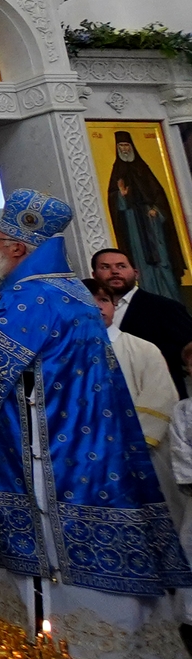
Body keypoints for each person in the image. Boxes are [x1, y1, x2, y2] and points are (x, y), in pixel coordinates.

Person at [0, 189, 192, 659]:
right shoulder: (69, 291)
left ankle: (68, 639)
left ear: (15, 246)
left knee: (56, 539)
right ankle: (108, 641)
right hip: (84, 440)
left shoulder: (34, 292)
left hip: (49, 449)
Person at [86, 278, 182, 533]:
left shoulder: (142, 349)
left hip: (143, 454)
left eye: (104, 300)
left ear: (114, 305)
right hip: (92, 458)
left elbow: (160, 398)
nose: (98, 306)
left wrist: (124, 445)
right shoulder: (66, 356)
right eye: (90, 300)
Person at [103, 132, 189, 302]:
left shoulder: (143, 168)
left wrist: (156, 209)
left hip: (154, 224)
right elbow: (113, 200)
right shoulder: (117, 171)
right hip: (132, 224)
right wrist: (121, 195)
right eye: (121, 146)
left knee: (163, 260)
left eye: (127, 145)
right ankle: (149, 299)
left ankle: (173, 299)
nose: (125, 149)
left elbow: (159, 194)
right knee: (141, 263)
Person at [95, 246, 192, 394]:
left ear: (136, 273)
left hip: (158, 398)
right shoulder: (85, 312)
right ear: (94, 275)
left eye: (121, 266)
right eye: (105, 267)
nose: (115, 271)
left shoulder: (165, 308)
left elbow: (188, 350)